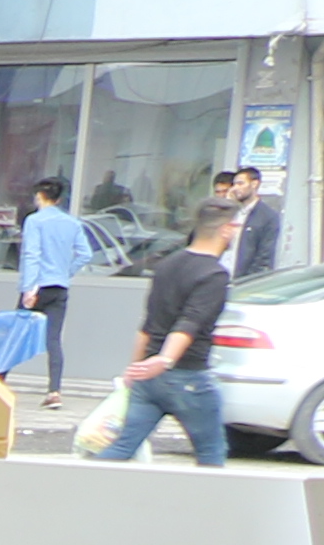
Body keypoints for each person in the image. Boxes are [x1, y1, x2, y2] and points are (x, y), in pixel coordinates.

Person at [93, 201, 239, 468]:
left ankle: (79, 486)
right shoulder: (214, 275)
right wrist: (166, 360)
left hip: (149, 380)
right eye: (236, 227)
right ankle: (209, 507)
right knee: (211, 453)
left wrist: (134, 369)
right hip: (187, 377)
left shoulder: (167, 264)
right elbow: (189, 324)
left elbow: (148, 323)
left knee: (123, 446)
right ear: (227, 230)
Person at [15, 176, 94, 405]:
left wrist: (29, 288)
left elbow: (32, 254)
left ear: (40, 196)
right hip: (59, 287)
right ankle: (54, 391)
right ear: (59, 199)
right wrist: (66, 271)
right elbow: (86, 254)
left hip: (37, 285)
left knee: (16, 334)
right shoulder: (72, 223)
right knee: (53, 339)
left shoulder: (35, 221)